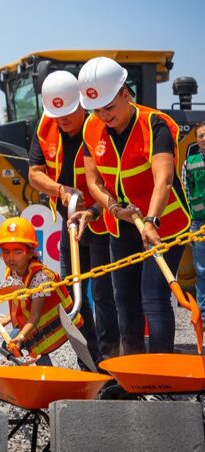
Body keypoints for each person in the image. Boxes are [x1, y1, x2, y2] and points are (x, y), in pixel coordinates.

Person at [72, 56, 190, 354]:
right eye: (96, 110)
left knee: (153, 295)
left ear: (126, 94)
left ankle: (162, 375)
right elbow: (94, 182)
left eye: (109, 107)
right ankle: (134, 372)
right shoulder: (91, 129)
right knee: (123, 297)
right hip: (122, 223)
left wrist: (151, 221)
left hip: (164, 222)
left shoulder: (156, 125)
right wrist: (113, 209)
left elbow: (163, 179)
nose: (103, 116)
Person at [27, 70, 113, 364]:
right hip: (71, 223)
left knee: (102, 294)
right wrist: (60, 190)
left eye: (67, 114)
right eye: (57, 115)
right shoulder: (45, 128)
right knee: (71, 290)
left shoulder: (99, 125)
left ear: (81, 103)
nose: (62, 121)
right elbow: (34, 174)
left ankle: (110, 361)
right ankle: (89, 360)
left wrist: (94, 208)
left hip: (101, 221)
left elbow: (111, 181)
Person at [0, 217, 83, 366]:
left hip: (52, 324)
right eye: (5, 252)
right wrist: (7, 319)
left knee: (36, 347)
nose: (10, 258)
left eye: (17, 252)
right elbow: (21, 303)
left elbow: (34, 316)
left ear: (30, 253)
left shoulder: (40, 277)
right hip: (33, 323)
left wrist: (21, 337)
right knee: (9, 346)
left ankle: (48, 381)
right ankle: (29, 378)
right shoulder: (12, 271)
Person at [185, 123, 205, 315]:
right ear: (197, 140)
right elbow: (186, 193)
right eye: (201, 136)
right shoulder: (189, 163)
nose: (204, 138)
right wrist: (190, 226)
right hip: (199, 223)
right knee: (202, 271)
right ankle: (204, 313)